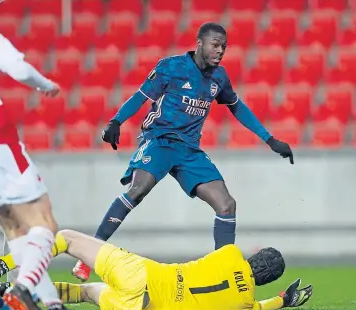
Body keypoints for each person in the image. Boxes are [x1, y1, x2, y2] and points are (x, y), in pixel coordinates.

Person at [72, 21, 295, 282]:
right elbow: (141, 96)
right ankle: (88, 256)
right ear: (199, 43)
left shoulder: (219, 78)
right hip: (160, 140)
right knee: (137, 190)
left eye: (224, 47)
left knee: (226, 205)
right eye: (215, 45)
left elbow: (237, 107)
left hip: (189, 150)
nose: (220, 51)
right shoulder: (171, 67)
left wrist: (269, 139)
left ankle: (221, 275)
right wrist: (116, 121)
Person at [0, 0, 91, 310]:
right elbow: (19, 68)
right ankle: (22, 290)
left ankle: (55, 309)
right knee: (43, 224)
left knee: (16, 231)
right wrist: (46, 85)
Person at [0, 230, 313, 310]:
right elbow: (261, 306)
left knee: (66, 238)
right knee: (85, 293)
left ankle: (4, 266)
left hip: (141, 275)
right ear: (267, 280)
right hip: (139, 308)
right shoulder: (246, 303)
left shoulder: (231, 254)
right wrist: (284, 300)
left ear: (256, 256)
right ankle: (12, 296)